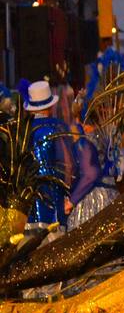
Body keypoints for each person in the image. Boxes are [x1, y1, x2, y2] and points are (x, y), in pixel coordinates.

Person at [23, 80, 74, 229]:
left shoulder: (22, 129)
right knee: (53, 235)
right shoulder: (57, 127)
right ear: (50, 106)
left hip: (27, 193)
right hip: (52, 189)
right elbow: (68, 163)